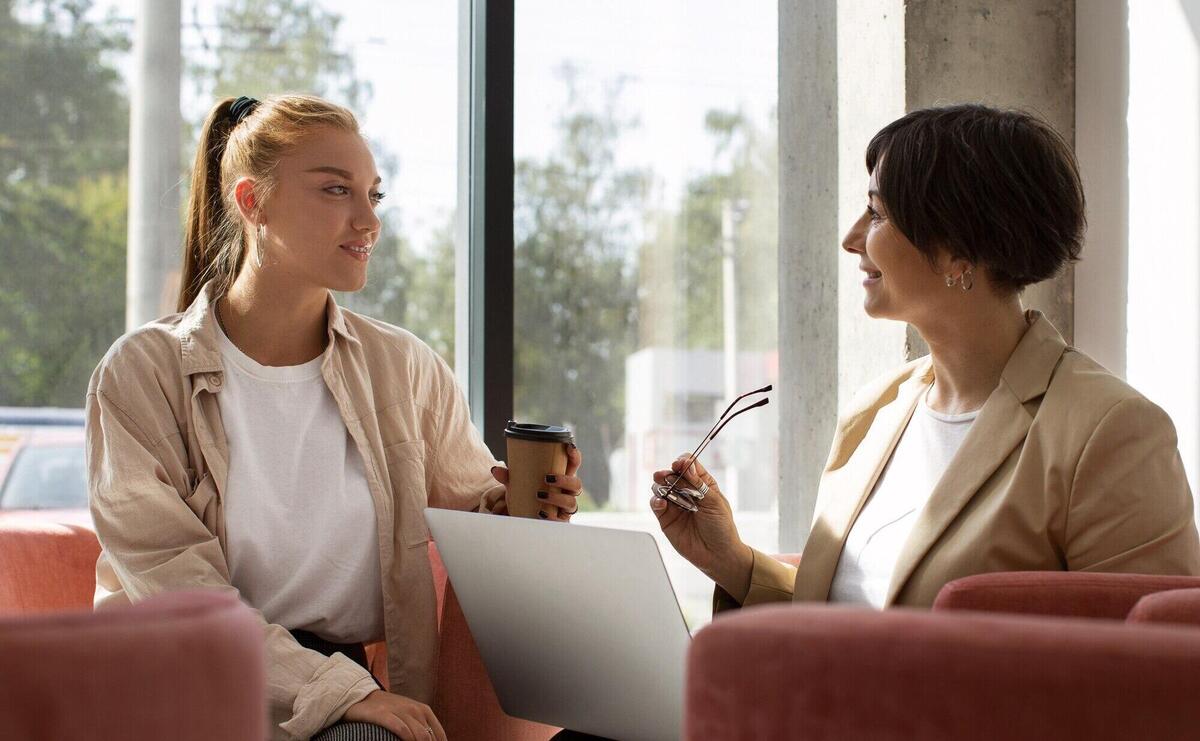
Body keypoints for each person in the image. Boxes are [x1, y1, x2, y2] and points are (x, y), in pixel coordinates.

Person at [85, 94, 583, 741]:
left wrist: (532, 502)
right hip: (185, 689)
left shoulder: (401, 367)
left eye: (374, 195)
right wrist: (339, 691)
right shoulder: (142, 374)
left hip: (338, 687)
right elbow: (177, 589)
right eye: (335, 190)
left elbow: (474, 509)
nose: (366, 220)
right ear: (250, 201)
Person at [652, 104, 1200, 615]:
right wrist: (734, 563)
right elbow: (861, 614)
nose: (851, 239)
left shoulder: (1111, 433)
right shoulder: (876, 411)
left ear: (960, 250)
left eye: (876, 213)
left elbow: (1147, 675)